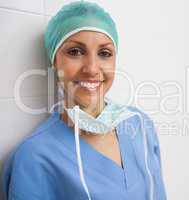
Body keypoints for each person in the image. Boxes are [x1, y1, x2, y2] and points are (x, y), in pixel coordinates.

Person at [1, 1, 167, 200]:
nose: (91, 69)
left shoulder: (140, 124)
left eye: (104, 53)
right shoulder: (34, 157)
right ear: (54, 60)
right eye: (75, 52)